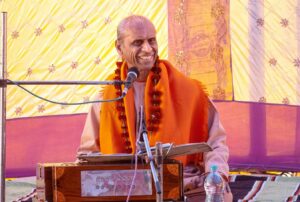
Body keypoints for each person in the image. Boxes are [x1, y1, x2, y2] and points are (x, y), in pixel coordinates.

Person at [77, 15, 231, 199]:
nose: (148, 49)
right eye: (138, 43)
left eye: (152, 41)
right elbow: (87, 154)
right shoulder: (108, 97)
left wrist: (216, 176)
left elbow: (215, 143)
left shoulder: (189, 91)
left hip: (181, 185)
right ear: (119, 48)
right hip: (123, 188)